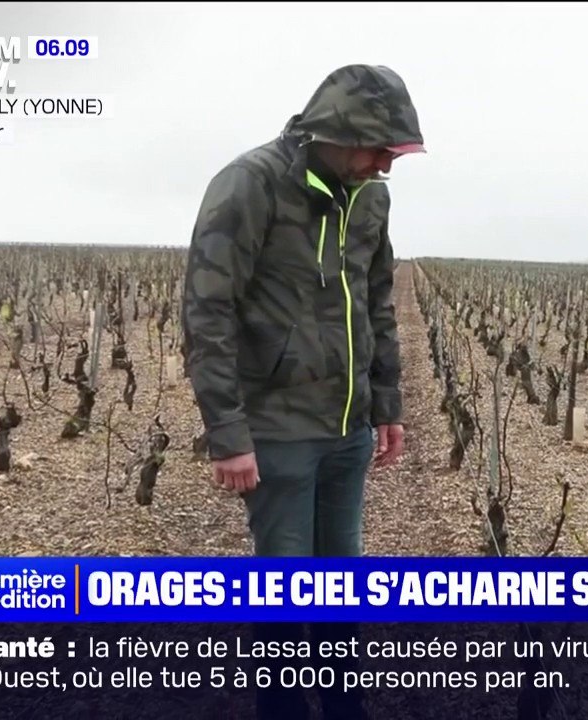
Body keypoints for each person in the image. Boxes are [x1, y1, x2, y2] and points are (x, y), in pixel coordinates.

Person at [181, 64, 424, 719]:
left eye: (395, 153)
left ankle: (345, 708)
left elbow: (378, 303)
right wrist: (228, 435)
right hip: (279, 432)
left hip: (347, 431)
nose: (387, 166)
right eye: (381, 149)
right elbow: (208, 313)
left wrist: (386, 404)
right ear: (340, 131)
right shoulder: (251, 185)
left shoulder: (371, 197)